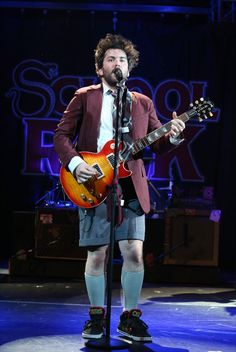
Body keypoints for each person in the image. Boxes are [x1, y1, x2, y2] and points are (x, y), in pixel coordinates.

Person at [53, 33, 185, 342]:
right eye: (111, 59)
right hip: (94, 182)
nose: (117, 64)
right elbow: (61, 136)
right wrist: (76, 164)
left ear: (130, 67)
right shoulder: (84, 96)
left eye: (122, 60)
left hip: (131, 186)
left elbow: (159, 143)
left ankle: (129, 318)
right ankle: (97, 316)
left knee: (134, 254)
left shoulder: (143, 103)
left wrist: (175, 135)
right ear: (100, 68)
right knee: (97, 255)